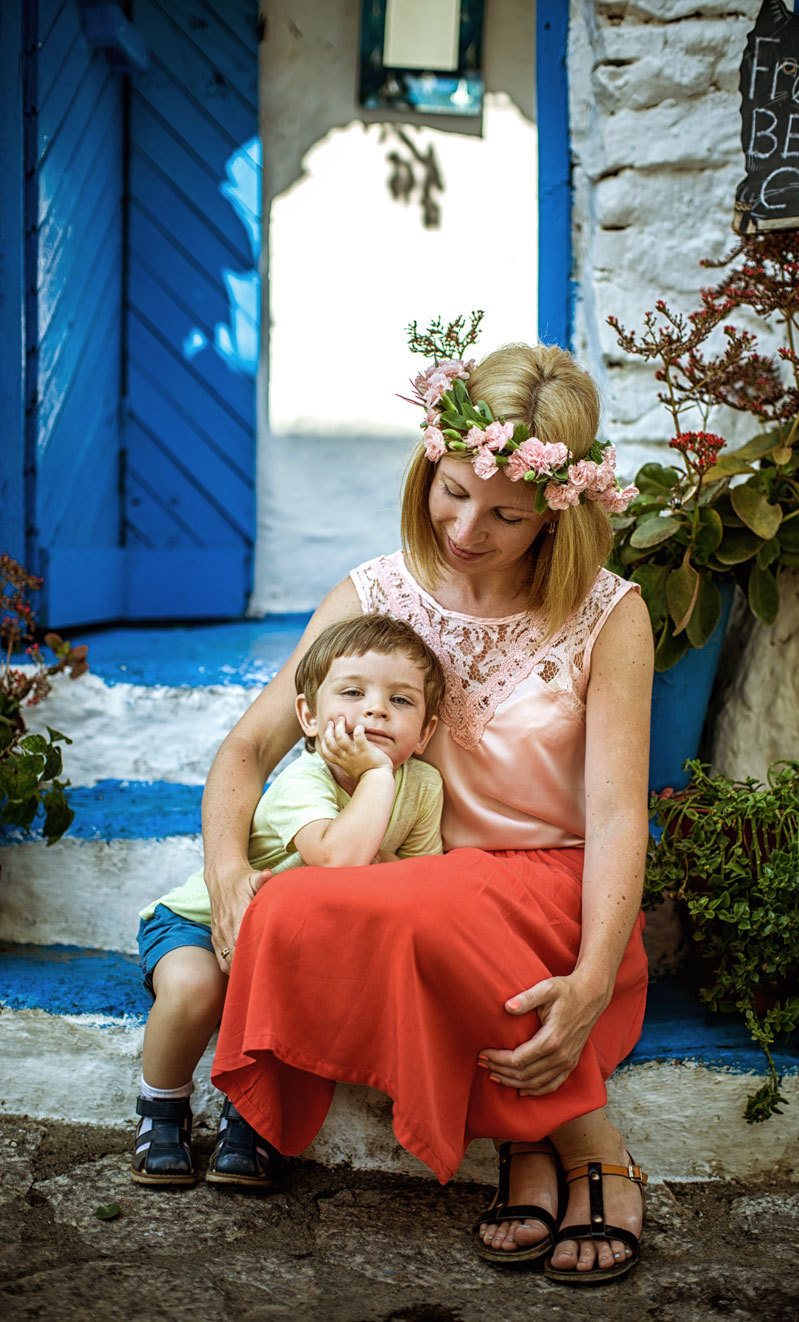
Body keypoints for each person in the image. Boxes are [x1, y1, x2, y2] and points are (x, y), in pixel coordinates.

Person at [207, 334, 654, 1285]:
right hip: (416, 889)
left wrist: (591, 977)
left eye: (506, 512)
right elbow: (247, 748)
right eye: (450, 490)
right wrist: (229, 876)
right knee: (292, 902)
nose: (463, 527)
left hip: (552, 893)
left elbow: (617, 816)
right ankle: (545, 1134)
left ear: (558, 510)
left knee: (425, 901)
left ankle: (577, 1138)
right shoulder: (374, 595)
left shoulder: (609, 613)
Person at [131, 614, 445, 1188]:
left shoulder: (424, 787)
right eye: (353, 693)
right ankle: (163, 1107)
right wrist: (375, 775)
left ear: (423, 733)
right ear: (309, 715)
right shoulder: (306, 780)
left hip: (284, 942)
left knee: (293, 992)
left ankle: (250, 1115)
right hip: (200, 924)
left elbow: (418, 883)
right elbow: (338, 857)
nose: (375, 711)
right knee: (199, 989)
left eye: (400, 700)